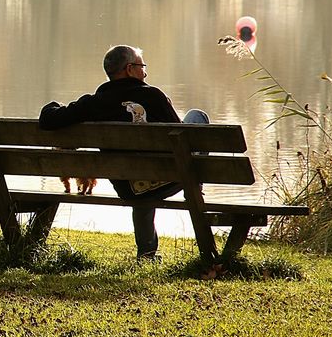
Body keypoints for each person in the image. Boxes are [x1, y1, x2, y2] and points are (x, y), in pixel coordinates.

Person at [38, 45, 209, 260]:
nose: (145, 72)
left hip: (129, 188)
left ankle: (147, 254)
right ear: (129, 69)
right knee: (196, 117)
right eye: (141, 66)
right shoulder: (154, 97)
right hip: (169, 179)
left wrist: (54, 105)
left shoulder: (94, 103)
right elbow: (181, 141)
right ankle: (195, 189)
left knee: (140, 173)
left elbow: (48, 119)